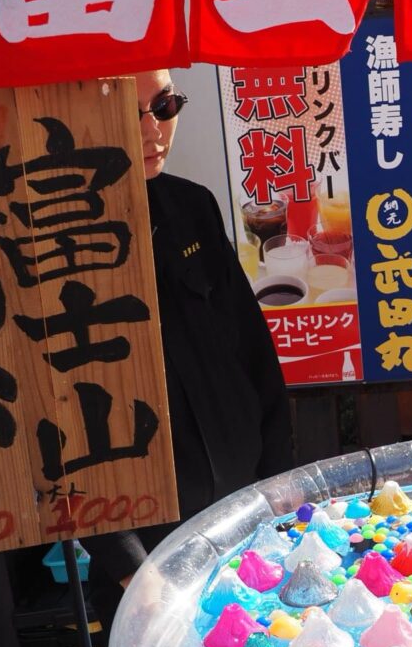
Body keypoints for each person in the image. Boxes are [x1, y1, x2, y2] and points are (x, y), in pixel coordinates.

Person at [81, 70, 293, 597]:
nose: (154, 131)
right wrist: (130, 567)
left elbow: (254, 356)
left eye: (166, 106)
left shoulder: (192, 206)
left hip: (241, 521)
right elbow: (51, 414)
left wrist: (279, 496)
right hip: (145, 555)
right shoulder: (55, 231)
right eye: (129, 113)